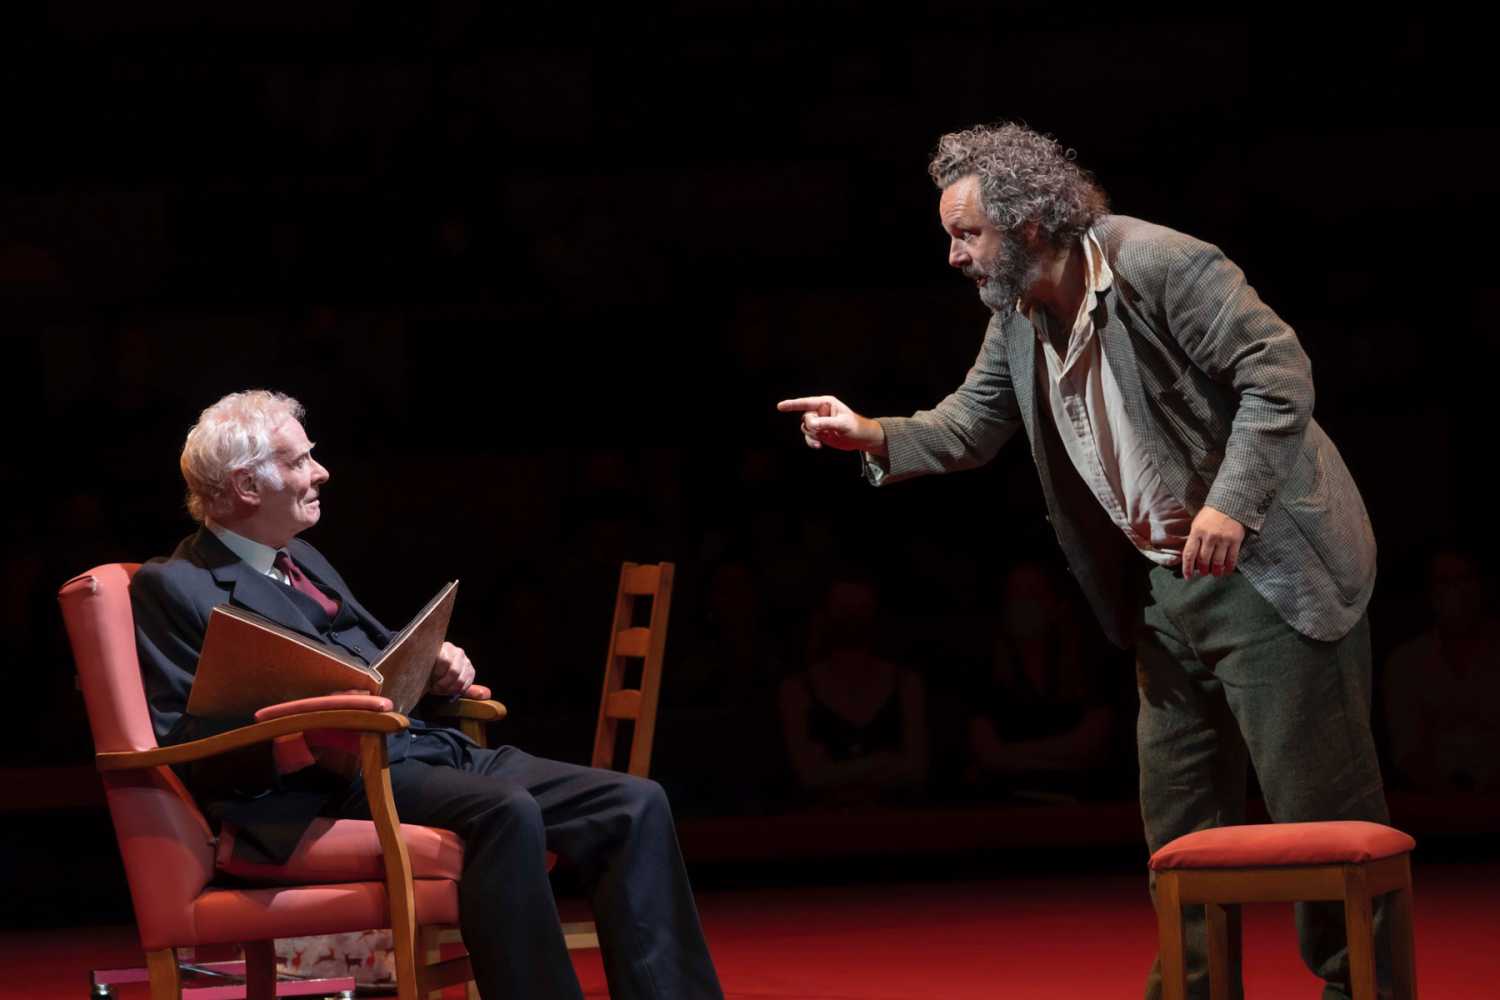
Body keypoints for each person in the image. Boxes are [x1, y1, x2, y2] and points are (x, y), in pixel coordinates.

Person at [778, 122, 1388, 999]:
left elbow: (1279, 376)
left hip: (1269, 577)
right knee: (1179, 830)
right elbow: (967, 425)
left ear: (1029, 224)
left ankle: (1359, 988)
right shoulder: (1021, 315)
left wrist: (1230, 504)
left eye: (966, 234)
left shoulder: (1162, 264)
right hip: (1161, 593)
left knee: (1322, 825)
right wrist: (869, 431)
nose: (953, 256)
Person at [131, 389, 723, 1000]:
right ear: (246, 487)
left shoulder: (302, 557)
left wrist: (434, 668)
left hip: (418, 746)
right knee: (506, 810)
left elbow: (374, 659)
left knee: (634, 803)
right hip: (330, 780)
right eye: (299, 461)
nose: (321, 471)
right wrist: (291, 744)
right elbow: (183, 741)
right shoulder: (178, 586)